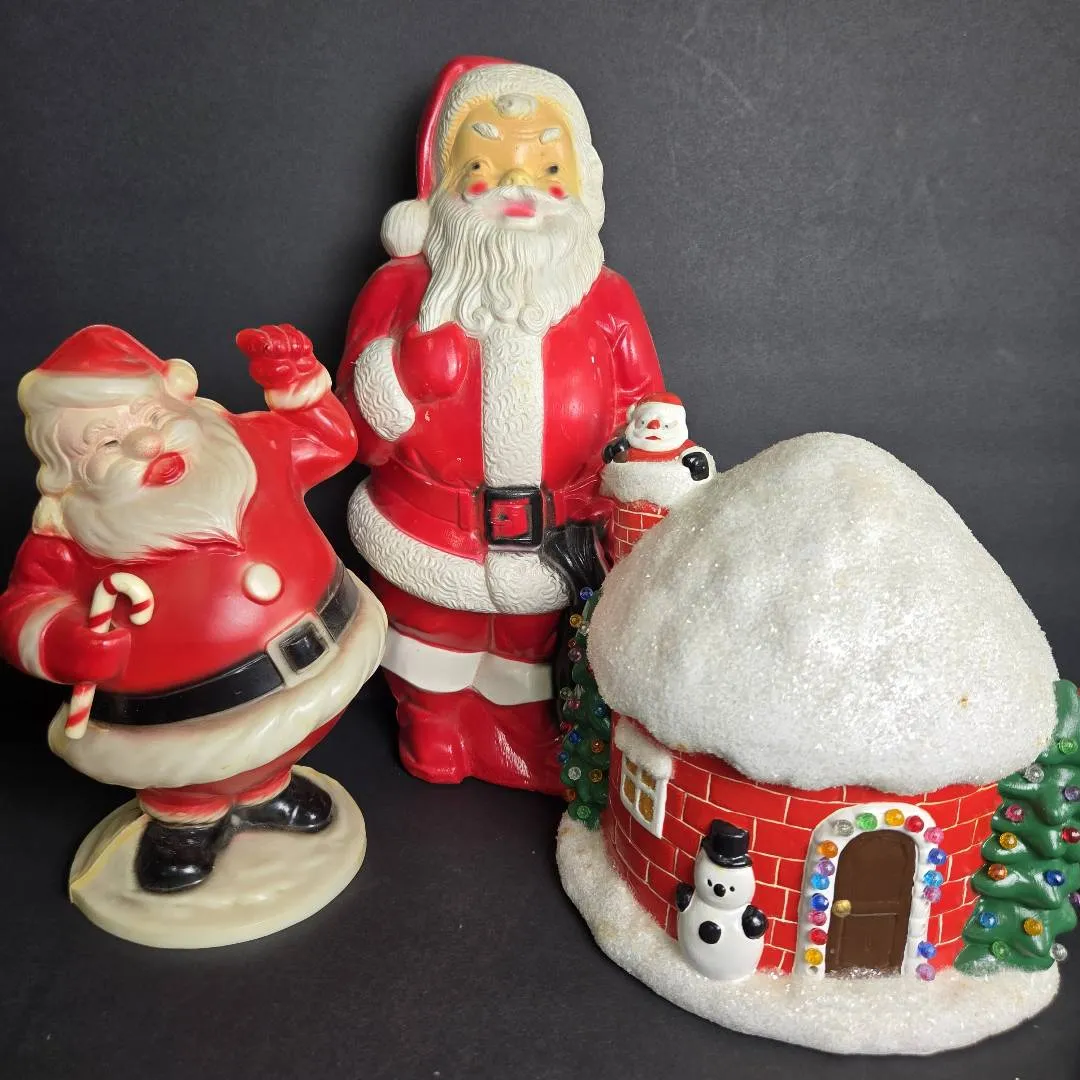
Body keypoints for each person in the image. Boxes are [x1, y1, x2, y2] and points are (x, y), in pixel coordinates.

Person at [337, 57, 665, 793]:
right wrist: (400, 378)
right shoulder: (399, 290)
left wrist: (649, 466)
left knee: (530, 654)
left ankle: (518, 735)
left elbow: (646, 409)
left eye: (547, 169)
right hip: (428, 532)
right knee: (430, 644)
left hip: (558, 540)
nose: (521, 188)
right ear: (444, 188)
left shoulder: (607, 300)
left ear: (581, 183)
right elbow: (357, 436)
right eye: (486, 168)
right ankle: (432, 726)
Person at [0, 324, 385, 891]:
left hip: (324, 649)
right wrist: (62, 642)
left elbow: (328, 444)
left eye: (153, 418)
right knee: (190, 775)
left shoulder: (247, 447)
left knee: (294, 734)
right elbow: (24, 606)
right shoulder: (68, 534)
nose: (145, 444)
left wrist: (297, 383)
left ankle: (267, 790)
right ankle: (187, 821)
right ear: (69, 470)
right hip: (181, 715)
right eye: (107, 443)